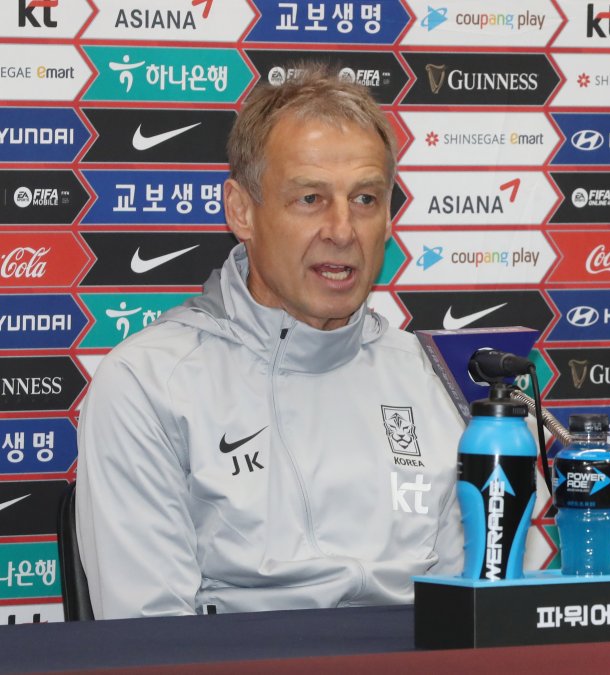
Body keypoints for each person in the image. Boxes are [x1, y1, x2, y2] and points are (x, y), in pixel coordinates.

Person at [75, 65, 465, 618]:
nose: (342, 230)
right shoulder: (149, 383)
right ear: (242, 211)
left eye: (365, 199)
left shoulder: (436, 378)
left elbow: (477, 618)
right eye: (310, 198)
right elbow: (150, 638)